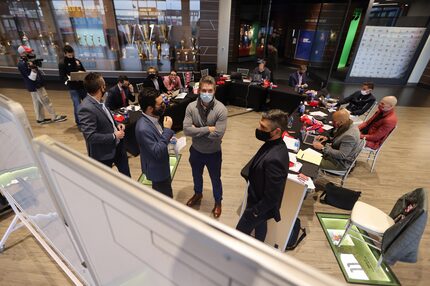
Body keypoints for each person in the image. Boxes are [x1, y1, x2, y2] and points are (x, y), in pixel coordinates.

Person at [236, 110, 290, 242]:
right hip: (257, 201)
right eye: (260, 124)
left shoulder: (275, 158)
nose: (258, 129)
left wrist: (255, 211)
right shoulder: (272, 144)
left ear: (277, 131)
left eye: (263, 127)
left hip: (258, 206)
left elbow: (273, 196)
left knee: (237, 236)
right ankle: (259, 245)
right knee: (260, 226)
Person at [183, 75, 228, 218]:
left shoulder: (221, 109)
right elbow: (186, 130)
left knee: (216, 179)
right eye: (204, 90)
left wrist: (196, 130)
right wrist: (208, 129)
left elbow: (218, 135)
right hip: (196, 151)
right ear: (198, 90)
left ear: (215, 90)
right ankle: (198, 193)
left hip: (214, 153)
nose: (206, 94)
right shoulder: (191, 107)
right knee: (196, 175)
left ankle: (218, 201)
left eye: (210, 91)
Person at [78, 72, 131, 177]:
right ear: (101, 87)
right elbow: (90, 136)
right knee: (106, 181)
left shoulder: (99, 101)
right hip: (104, 154)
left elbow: (107, 117)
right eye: (104, 84)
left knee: (126, 177)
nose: (105, 86)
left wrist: (117, 124)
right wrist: (114, 136)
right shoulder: (86, 108)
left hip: (118, 147)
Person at [135, 87, 175, 198]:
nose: (164, 105)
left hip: (162, 165)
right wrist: (167, 130)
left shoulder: (153, 117)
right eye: (160, 104)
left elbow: (158, 138)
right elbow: (156, 151)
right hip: (157, 170)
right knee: (165, 198)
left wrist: (167, 137)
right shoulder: (143, 128)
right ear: (149, 108)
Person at [17, 45, 67, 124]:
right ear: (23, 53)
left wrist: (33, 64)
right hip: (36, 85)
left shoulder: (26, 61)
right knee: (46, 100)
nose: (30, 53)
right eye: (28, 52)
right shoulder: (22, 64)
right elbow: (31, 78)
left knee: (37, 103)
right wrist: (33, 69)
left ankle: (40, 119)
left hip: (33, 86)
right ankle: (54, 116)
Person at [58, 45, 86, 128]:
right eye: (69, 55)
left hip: (82, 86)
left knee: (87, 103)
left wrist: (81, 73)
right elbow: (62, 77)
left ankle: (88, 120)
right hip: (73, 88)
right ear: (65, 54)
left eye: (72, 55)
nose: (71, 56)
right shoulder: (62, 63)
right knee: (77, 105)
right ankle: (79, 123)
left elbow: (84, 71)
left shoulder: (77, 61)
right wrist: (69, 79)